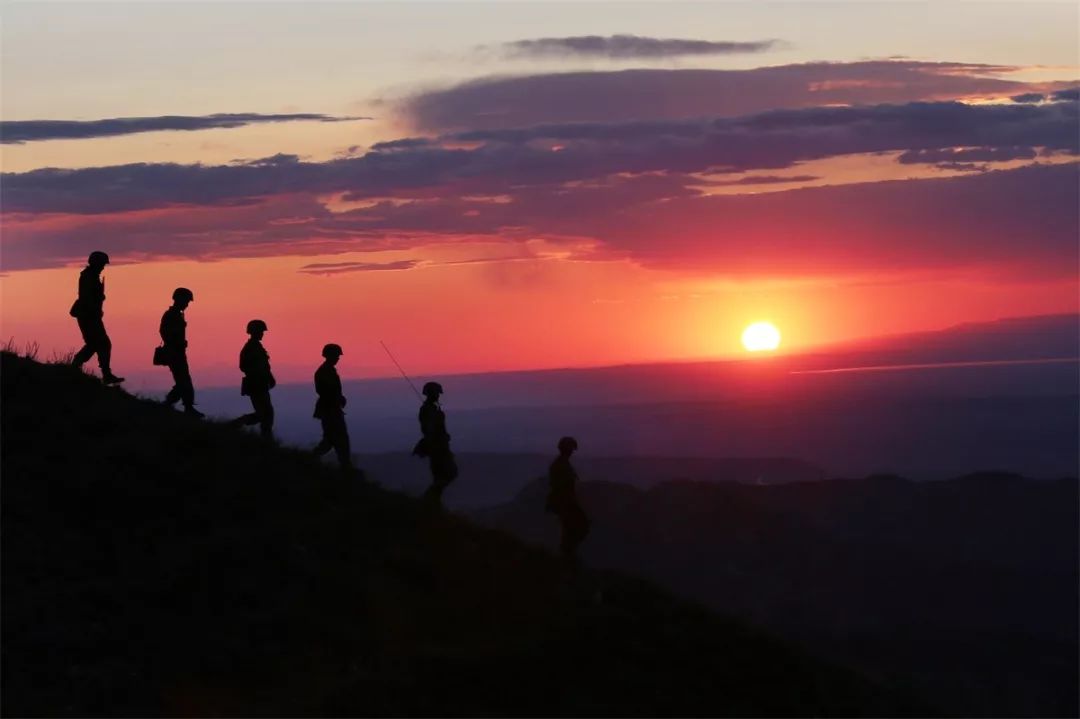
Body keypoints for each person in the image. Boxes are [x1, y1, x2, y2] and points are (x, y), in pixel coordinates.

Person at [70, 251, 124, 384]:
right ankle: (103, 374)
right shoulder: (89, 276)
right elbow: (87, 297)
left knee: (95, 344)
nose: (103, 267)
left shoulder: (91, 276)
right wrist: (98, 299)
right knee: (102, 344)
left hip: (90, 315)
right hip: (88, 316)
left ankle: (74, 367)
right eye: (102, 264)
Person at [159, 287, 203, 418]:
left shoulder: (177, 314)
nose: (187, 304)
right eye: (186, 301)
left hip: (178, 352)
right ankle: (185, 407)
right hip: (174, 353)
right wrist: (176, 342)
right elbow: (164, 332)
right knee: (184, 381)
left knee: (182, 381)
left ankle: (169, 404)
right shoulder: (171, 315)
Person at [547, 436, 590, 564]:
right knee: (574, 529)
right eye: (571, 449)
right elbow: (562, 487)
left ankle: (567, 556)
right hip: (565, 503)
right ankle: (567, 558)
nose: (572, 452)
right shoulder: (561, 465)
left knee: (572, 529)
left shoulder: (561, 464)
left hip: (564, 503)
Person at [413, 381, 458, 504]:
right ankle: (429, 500)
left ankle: (432, 501)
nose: (438, 396)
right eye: (437, 393)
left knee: (445, 474)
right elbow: (430, 429)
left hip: (439, 446)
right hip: (437, 447)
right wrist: (438, 441)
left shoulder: (432, 408)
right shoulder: (428, 410)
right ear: (432, 393)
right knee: (446, 474)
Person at [231, 319, 275, 438]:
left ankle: (265, 438)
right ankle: (238, 423)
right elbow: (244, 366)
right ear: (254, 332)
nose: (262, 334)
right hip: (256, 384)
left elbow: (264, 366)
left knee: (266, 414)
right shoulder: (250, 347)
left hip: (260, 383)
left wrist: (269, 377)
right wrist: (258, 374)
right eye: (260, 331)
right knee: (264, 414)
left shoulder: (256, 346)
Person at [313, 343, 352, 471]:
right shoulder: (325, 371)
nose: (338, 358)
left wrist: (339, 398)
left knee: (330, 440)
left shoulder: (327, 370)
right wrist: (338, 398)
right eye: (336, 356)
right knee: (340, 440)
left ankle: (310, 458)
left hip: (331, 408)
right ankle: (346, 468)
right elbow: (326, 391)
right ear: (329, 356)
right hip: (330, 410)